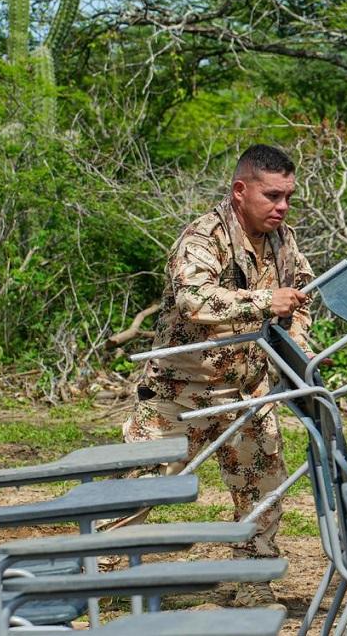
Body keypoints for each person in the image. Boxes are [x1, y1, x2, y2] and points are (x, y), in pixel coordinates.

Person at [122, 144, 313, 611]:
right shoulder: (201, 237)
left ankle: (253, 577)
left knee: (262, 489)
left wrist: (298, 338)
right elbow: (195, 301)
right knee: (138, 486)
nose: (282, 206)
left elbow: (302, 293)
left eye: (288, 196)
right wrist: (268, 302)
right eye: (272, 196)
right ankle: (101, 570)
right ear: (240, 191)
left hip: (246, 392)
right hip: (178, 391)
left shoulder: (283, 240)